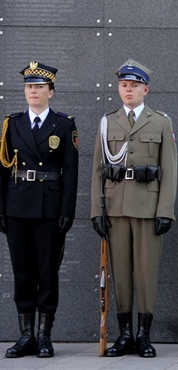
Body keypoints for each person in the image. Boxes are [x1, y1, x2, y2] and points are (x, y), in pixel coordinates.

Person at [90, 59, 177, 358]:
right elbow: (98, 170)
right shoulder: (107, 122)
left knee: (145, 272)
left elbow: (169, 169)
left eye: (134, 86)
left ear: (146, 89)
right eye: (124, 85)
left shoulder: (161, 122)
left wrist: (165, 210)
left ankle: (144, 334)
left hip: (148, 207)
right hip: (115, 206)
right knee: (121, 273)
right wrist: (95, 211)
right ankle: (124, 334)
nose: (128, 90)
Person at [0, 61, 79, 358]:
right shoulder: (13, 123)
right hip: (17, 204)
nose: (33, 91)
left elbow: (71, 171)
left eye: (39, 87)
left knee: (47, 273)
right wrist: (1, 207)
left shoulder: (64, 124)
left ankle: (45, 336)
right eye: (29, 86)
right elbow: (3, 167)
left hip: (49, 207)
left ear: (51, 92)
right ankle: (26, 336)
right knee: (22, 272)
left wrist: (67, 210)